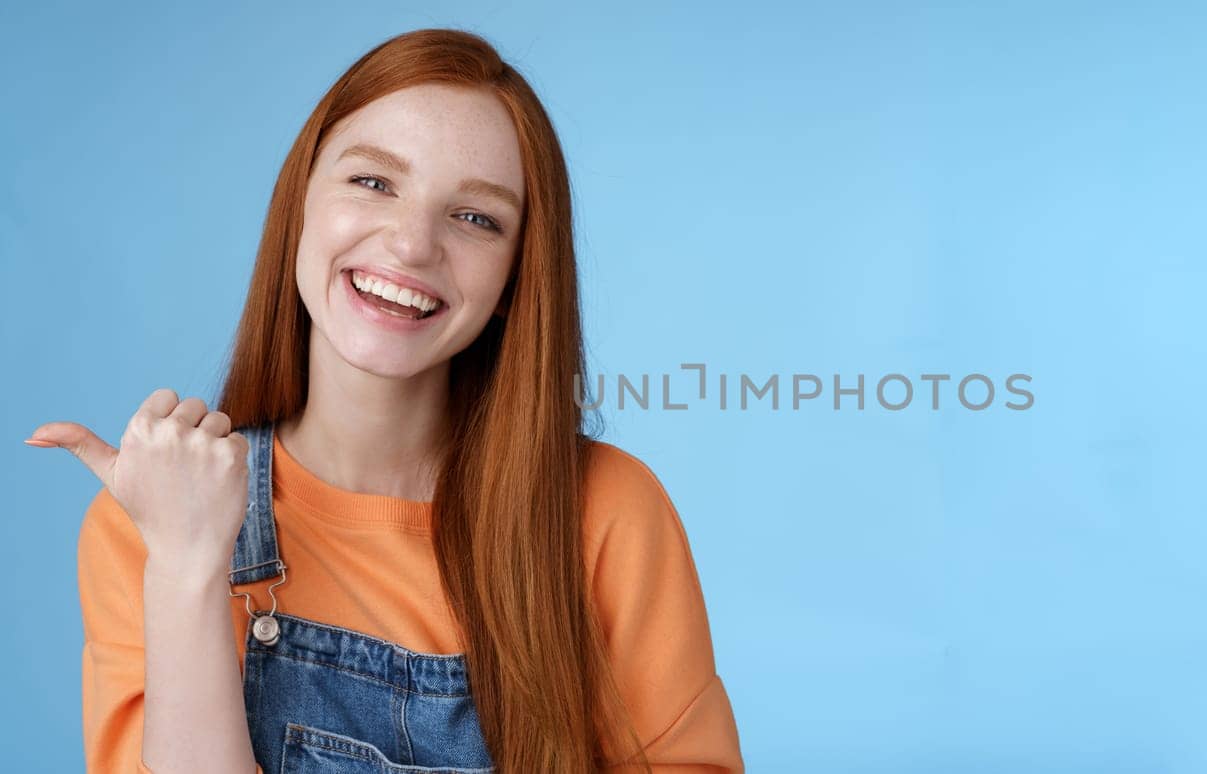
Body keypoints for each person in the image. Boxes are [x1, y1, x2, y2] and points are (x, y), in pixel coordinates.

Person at [26, 28, 743, 774]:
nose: (411, 245)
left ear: (512, 283)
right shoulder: (152, 521)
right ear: (299, 200)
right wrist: (186, 566)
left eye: (476, 218)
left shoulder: (607, 512)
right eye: (373, 182)